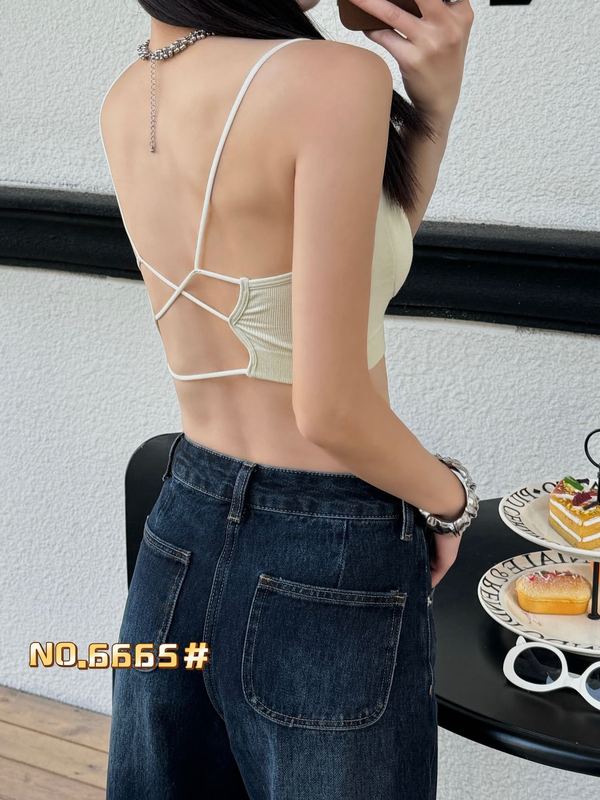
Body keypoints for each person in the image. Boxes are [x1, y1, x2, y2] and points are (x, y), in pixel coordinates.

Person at [101, 1, 476, 797]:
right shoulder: (333, 77)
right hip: (331, 556)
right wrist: (450, 501)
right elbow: (331, 411)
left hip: (180, 529)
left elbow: (358, 268)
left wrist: (433, 108)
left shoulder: (130, 94)